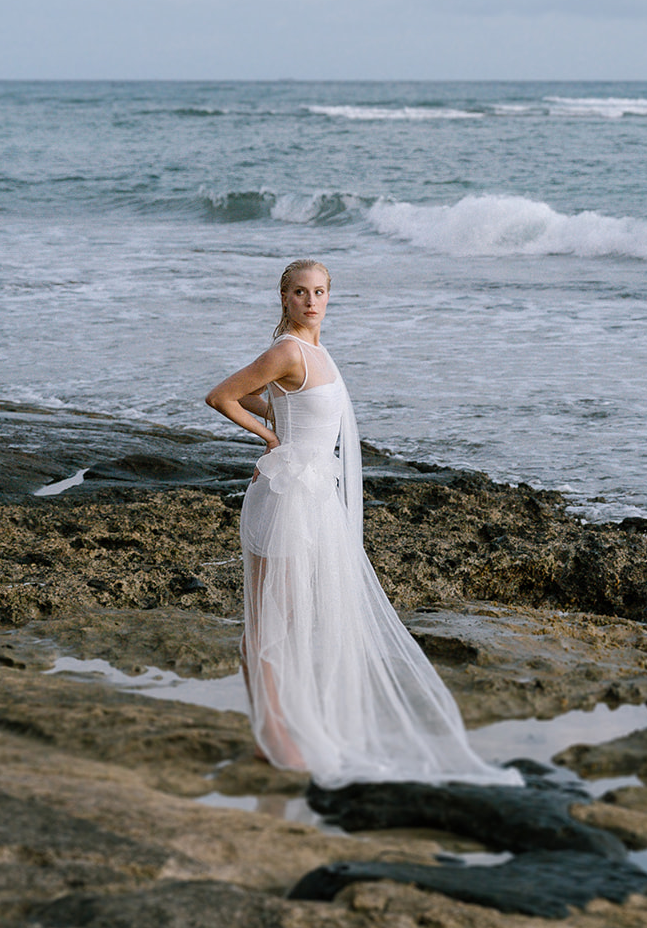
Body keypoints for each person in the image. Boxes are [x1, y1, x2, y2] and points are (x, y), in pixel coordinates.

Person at [205, 259, 520, 787]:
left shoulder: (316, 352)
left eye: (320, 291)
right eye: (300, 292)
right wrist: (273, 439)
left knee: (289, 616)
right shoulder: (288, 350)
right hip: (282, 495)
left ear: (329, 297)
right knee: (268, 621)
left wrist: (282, 420)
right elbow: (222, 396)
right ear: (284, 298)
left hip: (311, 497)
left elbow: (291, 404)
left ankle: (275, 725)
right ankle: (273, 734)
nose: (311, 301)